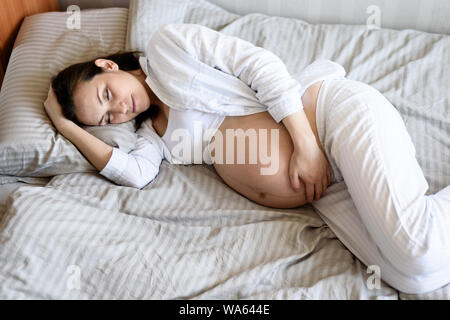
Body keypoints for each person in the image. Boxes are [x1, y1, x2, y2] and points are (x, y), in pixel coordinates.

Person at [44, 23, 450, 294]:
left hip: (326, 121)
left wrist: (306, 147)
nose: (119, 109)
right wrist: (68, 128)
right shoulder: (151, 136)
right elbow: (133, 174)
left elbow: (260, 64)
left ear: (107, 65)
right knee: (414, 277)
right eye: (108, 117)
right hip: (322, 189)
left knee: (417, 248)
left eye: (106, 95)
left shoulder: (169, 48)